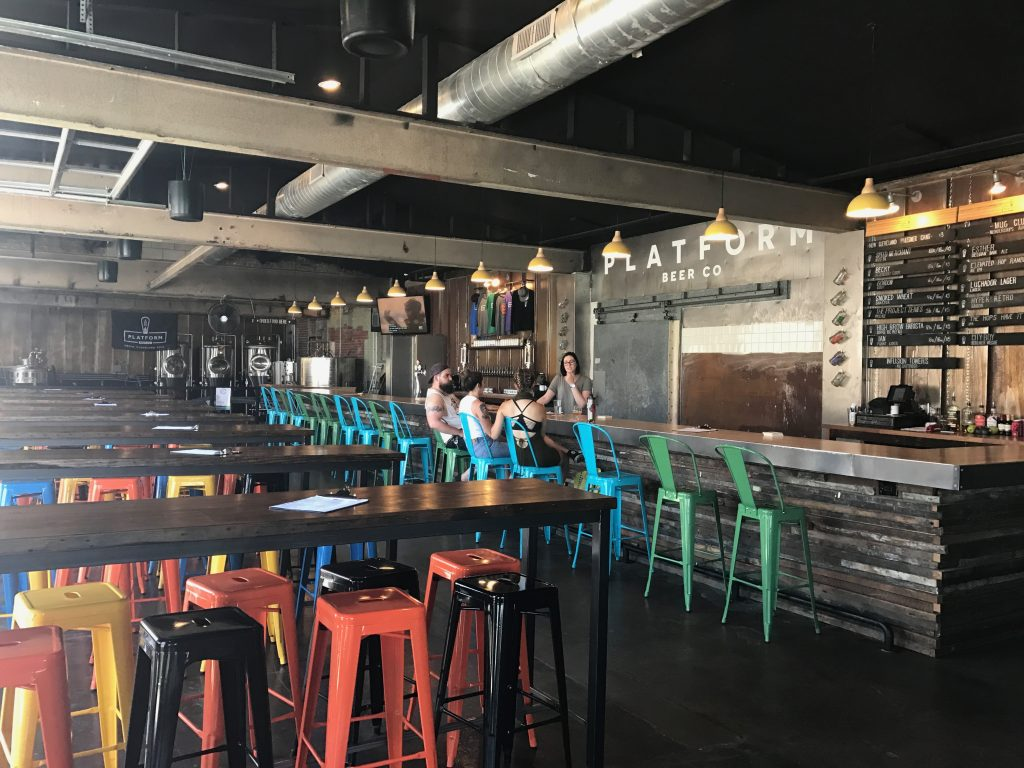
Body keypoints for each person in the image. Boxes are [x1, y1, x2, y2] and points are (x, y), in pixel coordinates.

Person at [490, 388, 579, 469]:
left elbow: (494, 435)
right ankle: (556, 486)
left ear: (515, 386)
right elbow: (542, 436)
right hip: (538, 458)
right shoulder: (540, 408)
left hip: (517, 458)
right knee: (563, 457)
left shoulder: (504, 406)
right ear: (533, 385)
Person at [424, 362, 471, 480]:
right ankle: (465, 477)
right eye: (447, 376)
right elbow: (433, 423)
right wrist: (459, 432)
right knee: (489, 445)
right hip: (454, 438)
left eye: (450, 375)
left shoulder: (446, 394)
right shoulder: (435, 398)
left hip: (465, 432)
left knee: (497, 440)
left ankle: (468, 475)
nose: (451, 378)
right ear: (436, 377)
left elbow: (462, 407)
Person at [458, 370, 509, 459]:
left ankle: (467, 473)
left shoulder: (463, 402)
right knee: (517, 450)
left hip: (471, 447)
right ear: (478, 386)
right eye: (483, 383)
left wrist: (501, 407)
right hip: (485, 448)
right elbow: (492, 434)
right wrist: (500, 416)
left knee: (505, 443)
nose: (484, 385)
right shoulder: (479, 405)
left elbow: (486, 406)